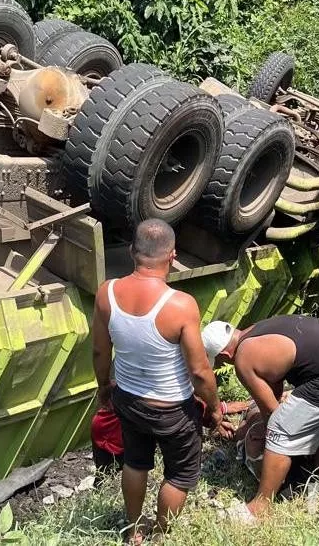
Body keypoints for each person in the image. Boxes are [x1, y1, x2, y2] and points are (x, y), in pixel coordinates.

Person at [92, 219, 229, 543]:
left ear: (131, 252)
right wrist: (213, 407)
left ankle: (133, 532)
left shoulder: (106, 293)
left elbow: (99, 350)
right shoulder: (180, 305)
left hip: (127, 399)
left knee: (136, 463)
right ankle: (161, 533)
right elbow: (199, 372)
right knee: (179, 475)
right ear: (172, 256)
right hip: (172, 411)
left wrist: (103, 388)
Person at [201, 315, 319, 518]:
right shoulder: (258, 328)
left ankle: (261, 506)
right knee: (308, 410)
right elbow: (274, 392)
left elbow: (272, 413)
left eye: (221, 360)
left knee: (279, 428)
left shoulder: (243, 358)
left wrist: (264, 434)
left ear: (224, 354)